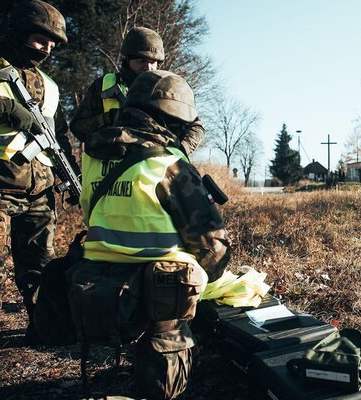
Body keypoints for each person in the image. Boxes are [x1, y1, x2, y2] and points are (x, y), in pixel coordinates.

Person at [78, 70, 230, 399]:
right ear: (172, 117)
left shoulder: (92, 155)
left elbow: (90, 213)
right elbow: (213, 248)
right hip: (159, 292)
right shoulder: (168, 163)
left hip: (99, 286)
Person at [0, 0, 77, 380]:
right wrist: (5, 108)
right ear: (20, 32)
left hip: (39, 192)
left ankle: (42, 326)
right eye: (41, 40)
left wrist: (68, 177)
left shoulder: (49, 86)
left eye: (53, 43)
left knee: (39, 266)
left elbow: (59, 137)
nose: (47, 49)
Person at [70, 27, 205, 158]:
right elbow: (78, 128)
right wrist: (111, 118)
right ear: (128, 59)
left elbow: (196, 127)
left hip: (154, 172)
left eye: (153, 62)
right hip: (107, 174)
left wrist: (180, 152)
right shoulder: (103, 86)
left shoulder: (168, 88)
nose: (148, 67)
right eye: (141, 60)